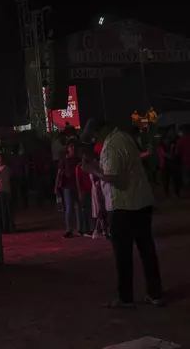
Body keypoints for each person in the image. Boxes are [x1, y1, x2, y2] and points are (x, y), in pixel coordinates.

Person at [81, 117, 164, 308]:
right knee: (147, 250)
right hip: (141, 203)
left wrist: (92, 169)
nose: (94, 140)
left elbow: (113, 177)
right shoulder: (124, 138)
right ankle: (155, 293)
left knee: (123, 254)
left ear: (102, 131)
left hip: (123, 206)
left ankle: (125, 297)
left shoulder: (111, 145)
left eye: (94, 135)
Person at [55, 142, 85, 238]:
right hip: (67, 186)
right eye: (71, 146)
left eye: (74, 146)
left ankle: (80, 229)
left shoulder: (77, 159)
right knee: (69, 208)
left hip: (77, 186)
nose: (73, 148)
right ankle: (69, 230)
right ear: (67, 148)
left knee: (79, 207)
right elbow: (59, 174)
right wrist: (56, 186)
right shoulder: (63, 161)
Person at [76, 147, 94, 237]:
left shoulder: (91, 164)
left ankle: (91, 228)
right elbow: (78, 181)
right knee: (87, 210)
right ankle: (88, 229)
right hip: (85, 191)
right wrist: (81, 192)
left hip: (92, 190)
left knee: (91, 210)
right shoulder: (79, 167)